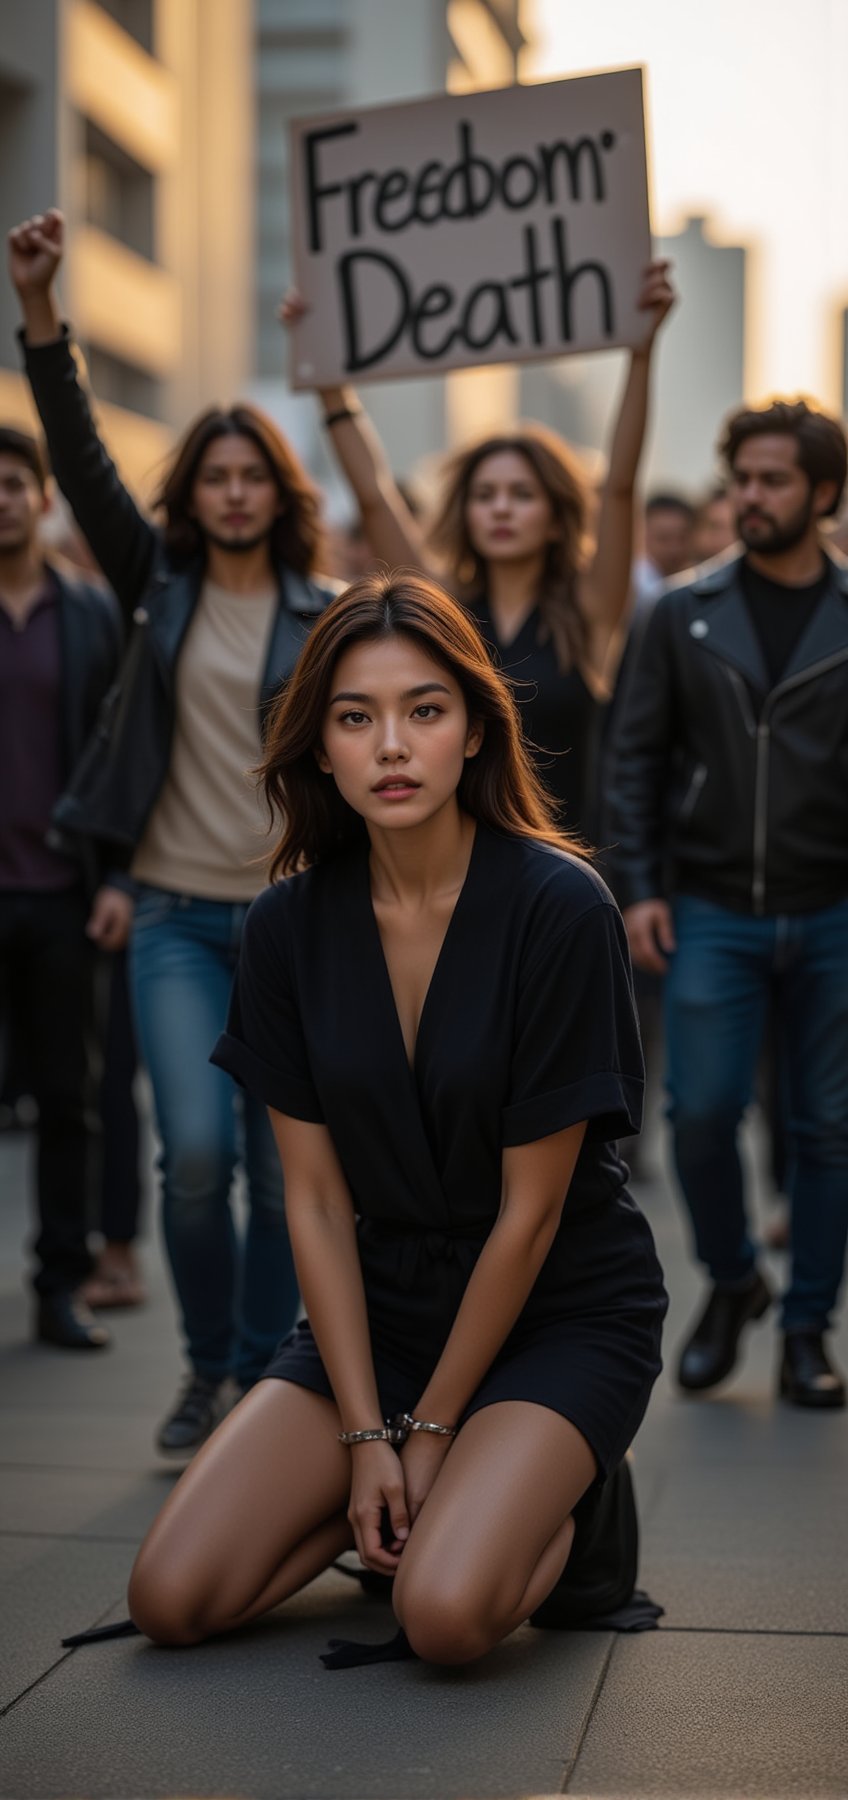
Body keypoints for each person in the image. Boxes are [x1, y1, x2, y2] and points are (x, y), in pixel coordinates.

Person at [123, 570, 667, 1665]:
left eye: (423, 710)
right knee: (170, 1602)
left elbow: (530, 1216)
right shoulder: (283, 925)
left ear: (472, 730)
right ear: (317, 745)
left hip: (557, 1308)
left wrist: (428, 1431)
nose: (390, 746)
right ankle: (409, 1502)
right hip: (380, 1311)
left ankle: (568, 1505)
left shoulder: (561, 911)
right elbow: (316, 1204)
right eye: (354, 717)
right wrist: (367, 1434)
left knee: (445, 1618)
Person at [9, 207, 338, 1452]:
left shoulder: (327, 614)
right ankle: (209, 1369)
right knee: (192, 1159)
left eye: (254, 474)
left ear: (277, 491)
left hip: (295, 928)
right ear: (192, 494)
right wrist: (43, 314)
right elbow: (82, 458)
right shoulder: (158, 587)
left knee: (282, 1176)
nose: (236, 492)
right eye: (216, 476)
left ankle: (260, 1382)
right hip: (173, 918)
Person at [611, 398, 848, 1408]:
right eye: (739, 479)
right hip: (709, 906)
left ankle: (805, 1331)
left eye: (773, 481)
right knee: (698, 1113)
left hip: (833, 910)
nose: (748, 498)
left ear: (823, 494)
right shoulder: (680, 611)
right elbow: (634, 758)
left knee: (827, 1130)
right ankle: (730, 1279)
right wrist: (637, 888)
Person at [283, 262, 675, 837]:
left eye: (522, 494)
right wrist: (328, 381)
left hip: (566, 871)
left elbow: (618, 486)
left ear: (555, 517)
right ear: (464, 511)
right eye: (485, 494)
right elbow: (375, 496)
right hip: (456, 865)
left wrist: (641, 353)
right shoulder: (443, 610)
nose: (501, 507)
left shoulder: (590, 610)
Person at [0, 423, 128, 1349]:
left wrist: (120, 875)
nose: (1, 500)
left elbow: (123, 757)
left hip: (63, 892)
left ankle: (60, 1282)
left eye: (14, 484)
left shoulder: (91, 613)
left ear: (42, 499)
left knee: (68, 1095)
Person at [631, 491, 696, 604]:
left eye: (682, 538)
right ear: (643, 535)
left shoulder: (694, 579)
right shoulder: (638, 586)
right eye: (664, 538)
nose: (674, 548)